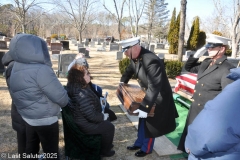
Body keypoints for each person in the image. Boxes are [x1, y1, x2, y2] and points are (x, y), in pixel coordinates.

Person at [8, 34, 69, 159]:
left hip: (28, 118)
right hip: (46, 119)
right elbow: (61, 98)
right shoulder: (41, 70)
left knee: (31, 151)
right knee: (51, 152)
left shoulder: (14, 67)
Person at [118, 37, 178, 157]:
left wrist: (145, 107)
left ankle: (146, 148)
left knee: (151, 124)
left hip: (158, 97)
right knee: (142, 121)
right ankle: (139, 142)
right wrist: (122, 82)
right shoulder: (135, 57)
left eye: (126, 50)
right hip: (148, 94)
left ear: (134, 47)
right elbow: (130, 69)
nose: (125, 53)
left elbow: (154, 87)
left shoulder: (151, 60)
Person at [177, 34, 235, 152]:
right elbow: (189, 67)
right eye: (208, 46)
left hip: (208, 114)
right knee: (190, 142)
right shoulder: (207, 62)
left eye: (212, 47)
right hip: (195, 109)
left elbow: (228, 98)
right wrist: (197, 54)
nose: (208, 49)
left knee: (200, 146)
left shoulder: (226, 68)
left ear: (222, 48)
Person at [185, 67, 240, 160]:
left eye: (211, 50)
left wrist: (194, 146)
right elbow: (189, 67)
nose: (209, 51)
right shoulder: (207, 64)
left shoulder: (225, 68)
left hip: (217, 152)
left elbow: (218, 126)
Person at [66, 64, 115, 157]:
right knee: (109, 127)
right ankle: (105, 151)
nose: (89, 75)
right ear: (80, 77)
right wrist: (102, 116)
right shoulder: (81, 94)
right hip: (85, 124)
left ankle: (105, 143)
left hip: (81, 119)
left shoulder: (77, 86)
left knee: (107, 120)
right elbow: (91, 116)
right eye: (87, 73)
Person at [68, 53, 117, 121]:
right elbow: (88, 109)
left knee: (108, 108)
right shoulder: (79, 88)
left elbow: (92, 91)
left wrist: (102, 100)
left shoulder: (84, 81)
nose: (89, 74)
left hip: (94, 107)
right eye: (87, 73)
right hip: (90, 114)